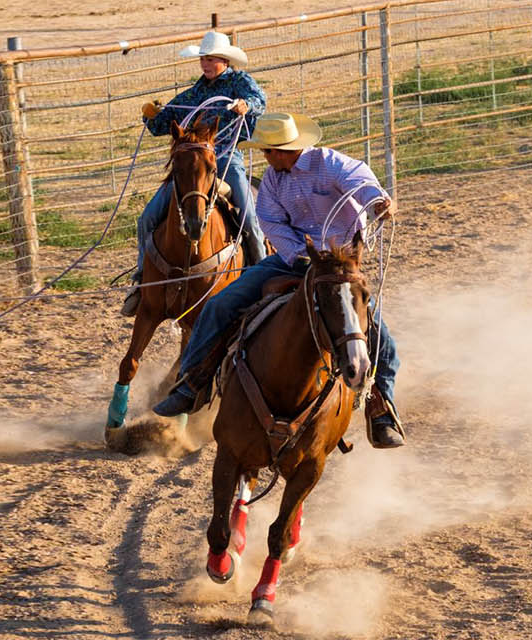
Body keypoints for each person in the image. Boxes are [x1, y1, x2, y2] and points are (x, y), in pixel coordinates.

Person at [151, 112, 405, 448]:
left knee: (380, 339)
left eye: (268, 151)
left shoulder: (329, 164)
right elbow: (271, 222)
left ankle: (381, 410)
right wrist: (300, 253)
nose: (265, 157)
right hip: (293, 261)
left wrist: (378, 203)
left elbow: (360, 182)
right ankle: (190, 385)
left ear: (284, 150)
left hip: (338, 265)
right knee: (219, 306)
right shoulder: (273, 180)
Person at [122, 30, 269, 317]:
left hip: (226, 158)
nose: (205, 64)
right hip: (191, 165)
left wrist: (245, 105)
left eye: (211, 59)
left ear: (224, 60)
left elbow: (259, 99)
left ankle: (262, 277)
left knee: (249, 219)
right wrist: (151, 114)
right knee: (148, 217)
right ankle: (142, 280)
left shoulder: (239, 82)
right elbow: (161, 124)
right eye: (203, 59)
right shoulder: (193, 94)